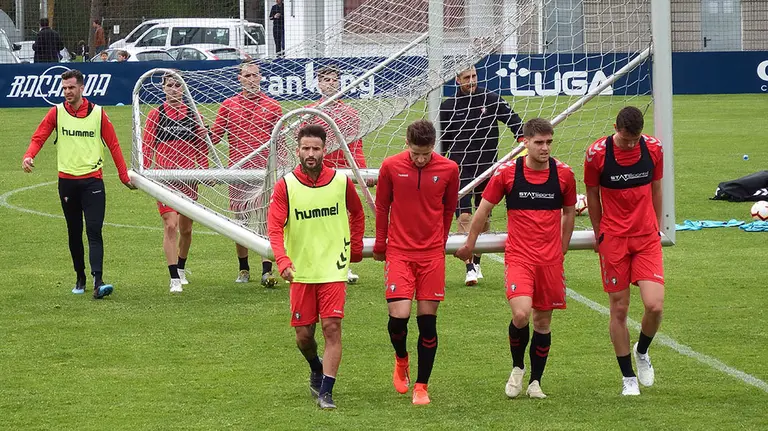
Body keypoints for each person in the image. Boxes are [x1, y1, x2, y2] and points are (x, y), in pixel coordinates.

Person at [455, 118, 576, 399]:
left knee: (543, 323)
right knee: (521, 314)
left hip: (550, 261)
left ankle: (535, 382)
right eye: (539, 143)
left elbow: (569, 212)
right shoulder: (508, 173)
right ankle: (518, 367)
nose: (545, 148)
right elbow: (483, 210)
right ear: (525, 143)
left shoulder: (565, 174)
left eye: (549, 142)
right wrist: (470, 245)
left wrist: (563, 247)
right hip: (520, 257)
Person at [267, 124, 365, 409]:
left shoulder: (340, 181)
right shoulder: (285, 185)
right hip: (301, 271)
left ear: (325, 150)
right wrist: (283, 260)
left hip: (333, 269)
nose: (311, 154)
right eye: (306, 149)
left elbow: (357, 214)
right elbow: (274, 228)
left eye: (316, 149)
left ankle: (327, 391)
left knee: (332, 328)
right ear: (297, 151)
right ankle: (314, 365)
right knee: (303, 336)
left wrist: (355, 248)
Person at [22, 69, 135, 299]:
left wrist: (124, 177)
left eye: (71, 88)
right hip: (67, 183)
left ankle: (98, 281)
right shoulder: (56, 113)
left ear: (82, 88)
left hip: (93, 181)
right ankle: (80, 276)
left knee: (94, 230)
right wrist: (29, 155)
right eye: (64, 88)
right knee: (74, 232)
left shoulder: (98, 113)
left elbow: (114, 145)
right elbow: (39, 136)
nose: (67, 92)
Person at [374, 120, 459, 405]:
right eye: (415, 153)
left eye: (426, 153)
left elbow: (449, 208)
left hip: (431, 255)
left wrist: (441, 240)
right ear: (406, 144)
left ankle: (421, 386)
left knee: (427, 322)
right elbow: (383, 205)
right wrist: (380, 243)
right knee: (398, 319)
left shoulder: (449, 169)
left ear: (433, 146)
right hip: (399, 251)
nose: (421, 159)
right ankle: (401, 359)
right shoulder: (390, 166)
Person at [583, 106, 664, 396]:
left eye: (635, 139)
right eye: (626, 138)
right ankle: (628, 377)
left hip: (645, 238)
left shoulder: (653, 149)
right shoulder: (597, 154)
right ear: (615, 127)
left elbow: (656, 187)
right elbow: (592, 194)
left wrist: (656, 225)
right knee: (619, 308)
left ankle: (641, 351)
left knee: (654, 305)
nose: (630, 144)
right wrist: (598, 232)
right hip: (614, 239)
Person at [440, 65, 524, 286]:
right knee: (465, 217)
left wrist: (522, 139)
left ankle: (477, 260)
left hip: (488, 168)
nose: (472, 80)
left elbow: (514, 121)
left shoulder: (491, 99)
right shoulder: (448, 106)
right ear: (457, 80)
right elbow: (443, 141)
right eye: (467, 77)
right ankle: (469, 268)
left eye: (474, 76)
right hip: (461, 169)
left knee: (484, 215)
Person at [210, 60, 283, 286]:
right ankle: (243, 269)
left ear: (261, 78)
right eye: (247, 76)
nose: (252, 80)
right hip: (237, 172)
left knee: (263, 220)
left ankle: (266, 270)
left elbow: (279, 143)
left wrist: (278, 170)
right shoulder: (228, 105)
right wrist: (200, 131)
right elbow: (214, 138)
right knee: (240, 222)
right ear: (239, 79)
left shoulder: (273, 107)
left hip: (264, 173)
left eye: (255, 75)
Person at [142, 72, 208, 293]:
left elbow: (201, 145)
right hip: (165, 179)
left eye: (177, 85)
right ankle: (174, 278)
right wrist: (144, 170)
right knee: (170, 225)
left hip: (189, 180)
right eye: (169, 85)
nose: (173, 89)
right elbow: (147, 145)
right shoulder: (156, 115)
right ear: (163, 88)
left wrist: (206, 170)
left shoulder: (194, 114)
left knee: (186, 230)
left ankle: (181, 267)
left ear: (184, 89)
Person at [306, 64, 367, 284]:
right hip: (317, 175)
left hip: (342, 174)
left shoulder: (350, 113)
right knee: (317, 219)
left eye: (334, 80)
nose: (331, 84)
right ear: (319, 84)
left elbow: (356, 146)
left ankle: (344, 264)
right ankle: (316, 262)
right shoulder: (310, 112)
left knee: (341, 220)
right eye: (326, 80)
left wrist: (360, 170)